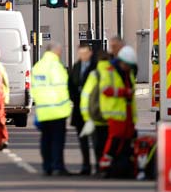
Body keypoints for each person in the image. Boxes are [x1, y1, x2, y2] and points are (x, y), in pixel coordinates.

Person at [31, 42, 72, 176]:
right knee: (57, 141)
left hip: (43, 110)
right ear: (54, 51)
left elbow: (33, 89)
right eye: (59, 51)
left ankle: (47, 166)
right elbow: (63, 88)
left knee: (45, 139)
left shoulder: (38, 66)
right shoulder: (56, 67)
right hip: (57, 110)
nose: (60, 53)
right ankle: (58, 166)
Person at [99, 46, 138, 178]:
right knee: (115, 139)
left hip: (127, 113)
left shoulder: (128, 72)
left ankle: (124, 166)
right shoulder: (110, 71)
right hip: (116, 112)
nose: (129, 69)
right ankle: (105, 166)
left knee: (127, 140)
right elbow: (105, 89)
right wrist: (124, 93)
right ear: (123, 62)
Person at [79, 52, 111, 175]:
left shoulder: (94, 74)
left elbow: (86, 96)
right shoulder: (114, 73)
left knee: (98, 145)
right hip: (111, 117)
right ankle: (108, 167)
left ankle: (99, 167)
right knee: (109, 145)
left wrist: (87, 117)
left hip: (96, 117)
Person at [68, 44, 97, 175]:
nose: (82, 55)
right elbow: (70, 85)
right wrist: (75, 98)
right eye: (80, 53)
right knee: (83, 139)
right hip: (79, 110)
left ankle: (99, 165)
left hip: (93, 110)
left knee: (96, 140)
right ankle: (86, 166)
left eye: (85, 53)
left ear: (90, 53)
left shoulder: (96, 67)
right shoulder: (76, 67)